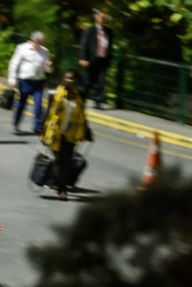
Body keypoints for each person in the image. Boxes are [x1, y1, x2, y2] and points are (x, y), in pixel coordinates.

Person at [40, 70, 88, 200]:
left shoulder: (80, 96)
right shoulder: (55, 93)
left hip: (71, 134)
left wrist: (86, 130)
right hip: (54, 133)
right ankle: (59, 185)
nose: (68, 80)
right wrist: (41, 128)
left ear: (76, 81)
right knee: (60, 161)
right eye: (66, 78)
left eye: (71, 78)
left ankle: (60, 186)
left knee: (64, 162)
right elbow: (48, 111)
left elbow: (82, 114)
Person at [8, 31, 52, 134]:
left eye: (42, 42)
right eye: (40, 42)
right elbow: (14, 63)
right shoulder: (22, 48)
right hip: (25, 81)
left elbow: (47, 70)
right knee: (21, 104)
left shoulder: (45, 51)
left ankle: (37, 127)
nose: (41, 44)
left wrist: (48, 66)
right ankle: (15, 123)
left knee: (38, 105)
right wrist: (12, 79)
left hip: (39, 82)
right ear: (34, 40)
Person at [78, 9, 113, 109]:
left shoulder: (109, 31)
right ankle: (82, 99)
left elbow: (110, 47)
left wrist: (109, 60)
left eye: (104, 18)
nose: (103, 19)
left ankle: (98, 101)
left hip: (103, 60)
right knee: (87, 81)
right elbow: (84, 45)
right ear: (96, 18)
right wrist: (83, 58)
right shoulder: (89, 30)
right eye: (101, 17)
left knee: (101, 82)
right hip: (90, 60)